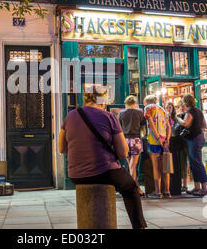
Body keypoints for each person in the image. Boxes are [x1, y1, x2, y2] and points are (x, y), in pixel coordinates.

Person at [59, 89, 147, 229]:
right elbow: (123, 152)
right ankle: (139, 226)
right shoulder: (109, 117)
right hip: (104, 171)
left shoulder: (70, 116)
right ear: (102, 100)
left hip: (76, 175)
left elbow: (61, 148)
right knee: (131, 188)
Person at [176, 94, 207, 197]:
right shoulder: (198, 111)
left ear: (186, 102)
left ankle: (203, 188)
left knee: (197, 163)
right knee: (193, 163)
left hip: (194, 139)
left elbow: (186, 124)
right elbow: (204, 124)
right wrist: (201, 134)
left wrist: (178, 118)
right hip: (198, 137)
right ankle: (197, 187)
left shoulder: (190, 112)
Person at [143, 95, 172, 199]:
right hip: (165, 141)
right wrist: (167, 139)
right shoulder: (163, 110)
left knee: (156, 167)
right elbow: (169, 127)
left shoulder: (148, 108)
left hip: (154, 140)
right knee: (165, 166)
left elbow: (151, 123)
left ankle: (158, 192)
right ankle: (167, 191)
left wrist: (158, 138)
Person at [118, 95, 146, 197]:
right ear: (135, 103)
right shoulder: (139, 112)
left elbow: (119, 128)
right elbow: (143, 129)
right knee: (133, 165)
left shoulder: (121, 113)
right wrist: (143, 136)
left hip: (124, 140)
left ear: (126, 103)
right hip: (136, 139)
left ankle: (136, 188)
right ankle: (132, 189)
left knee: (130, 165)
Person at [166, 101, 189, 193]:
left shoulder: (178, 117)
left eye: (170, 107)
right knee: (174, 164)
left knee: (182, 164)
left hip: (179, 142)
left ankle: (185, 184)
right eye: (167, 107)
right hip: (171, 142)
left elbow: (178, 128)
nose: (168, 109)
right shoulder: (165, 117)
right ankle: (174, 184)